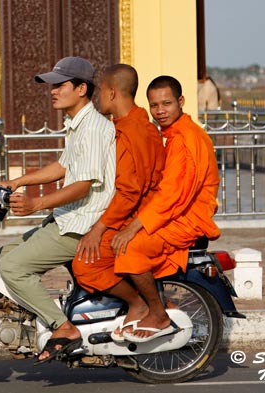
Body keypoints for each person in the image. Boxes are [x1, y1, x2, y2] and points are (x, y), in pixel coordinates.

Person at [0, 56, 116, 364]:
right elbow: (63, 167)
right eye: (51, 85)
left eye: (59, 85)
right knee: (3, 257)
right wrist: (17, 181)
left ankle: (63, 328)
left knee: (13, 268)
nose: (52, 91)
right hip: (68, 218)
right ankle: (30, 314)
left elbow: (83, 186)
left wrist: (36, 203)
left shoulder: (92, 127)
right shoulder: (77, 124)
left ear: (81, 89)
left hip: (81, 225)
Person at [103, 75, 221, 343]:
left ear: (180, 102)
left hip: (187, 219)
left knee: (129, 247)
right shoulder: (173, 134)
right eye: (154, 105)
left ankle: (157, 311)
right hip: (175, 213)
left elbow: (172, 196)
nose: (160, 111)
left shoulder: (186, 139)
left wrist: (134, 226)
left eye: (166, 103)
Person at [72, 64, 165, 342]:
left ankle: (141, 304)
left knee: (86, 265)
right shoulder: (134, 124)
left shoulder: (131, 133)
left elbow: (128, 193)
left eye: (99, 91)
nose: (96, 97)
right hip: (130, 211)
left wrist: (98, 229)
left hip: (135, 216)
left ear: (112, 92)